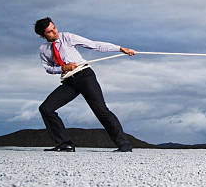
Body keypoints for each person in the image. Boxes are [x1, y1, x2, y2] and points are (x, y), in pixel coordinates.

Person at [34, 17, 136, 152]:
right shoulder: (43, 49)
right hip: (69, 81)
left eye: (54, 28)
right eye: (50, 32)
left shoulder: (68, 37)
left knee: (101, 110)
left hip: (84, 76)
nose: (55, 32)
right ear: (42, 35)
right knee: (46, 109)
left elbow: (94, 45)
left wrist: (120, 49)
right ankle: (65, 144)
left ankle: (124, 145)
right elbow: (48, 69)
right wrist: (63, 68)